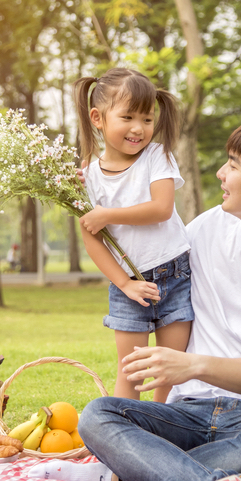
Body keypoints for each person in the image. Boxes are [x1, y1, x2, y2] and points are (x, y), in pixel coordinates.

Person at [30, 116, 241, 481]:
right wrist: (96, 190)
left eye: (233, 164)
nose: (220, 174)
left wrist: (192, 364)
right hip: (184, 413)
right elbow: (140, 252)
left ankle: (146, 470)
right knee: (99, 415)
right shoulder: (208, 228)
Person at [74, 68, 193, 402]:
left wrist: (108, 214)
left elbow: (161, 208)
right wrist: (124, 284)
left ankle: (165, 430)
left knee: (170, 373)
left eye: (147, 118)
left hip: (175, 276)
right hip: (127, 284)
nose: (139, 128)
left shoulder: (157, 156)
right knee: (132, 372)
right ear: (97, 117)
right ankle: (123, 437)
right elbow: (91, 238)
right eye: (127, 117)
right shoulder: (90, 175)